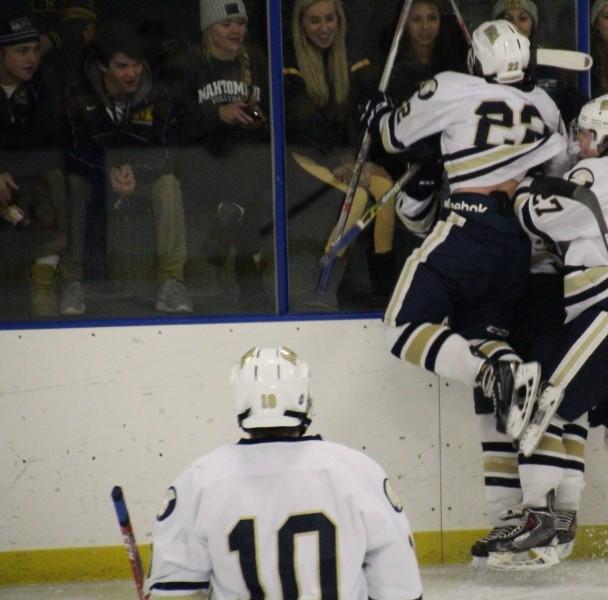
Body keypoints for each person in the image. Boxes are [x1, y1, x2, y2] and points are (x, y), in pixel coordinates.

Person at [477, 93, 608, 569]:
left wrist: (524, 190)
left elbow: (542, 219)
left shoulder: (600, 172)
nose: (580, 143)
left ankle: (540, 519)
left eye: (588, 135)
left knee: (539, 402)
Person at [365, 19, 568, 465]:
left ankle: (497, 375)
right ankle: (512, 374)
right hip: (518, 245)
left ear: (476, 59)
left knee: (401, 328)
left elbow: (392, 137)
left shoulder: (452, 86)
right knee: (482, 334)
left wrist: (379, 112)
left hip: (467, 229)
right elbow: (558, 172)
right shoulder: (547, 106)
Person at [145, 346, 424, 599]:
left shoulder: (199, 480)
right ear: (305, 398)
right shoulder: (359, 471)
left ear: (239, 401)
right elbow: (400, 587)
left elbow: (175, 590)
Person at [63, 21, 191, 315]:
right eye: (122, 66)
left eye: (136, 65)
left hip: (141, 178)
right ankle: (72, 282)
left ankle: (171, 281)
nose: (132, 73)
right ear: (103, 67)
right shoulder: (78, 95)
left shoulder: (158, 95)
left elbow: (167, 152)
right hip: (96, 179)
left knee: (169, 184)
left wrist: (138, 174)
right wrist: (106, 173)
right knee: (72, 183)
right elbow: (72, 153)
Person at [282, 0, 395, 310]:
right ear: (301, 24)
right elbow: (305, 128)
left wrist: (364, 161)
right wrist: (342, 162)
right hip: (303, 158)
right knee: (355, 199)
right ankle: (326, 281)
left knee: (386, 194)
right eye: (315, 21)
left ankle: (383, 287)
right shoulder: (289, 63)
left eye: (329, 19)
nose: (324, 28)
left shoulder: (355, 59)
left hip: (348, 158)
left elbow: (365, 119)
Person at [162, 0, 271, 312]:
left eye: (240, 23)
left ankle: (228, 217)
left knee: (252, 164)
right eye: (227, 24)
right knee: (248, 195)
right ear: (209, 29)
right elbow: (175, 125)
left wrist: (259, 119)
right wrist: (217, 115)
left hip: (247, 160)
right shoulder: (187, 65)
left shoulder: (258, 62)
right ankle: (249, 281)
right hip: (202, 159)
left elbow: (279, 120)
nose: (236, 30)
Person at [0, 13, 66, 318]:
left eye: (35, 50)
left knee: (55, 180)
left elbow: (50, 147)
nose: (32, 59)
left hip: (27, 183)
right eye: (21, 51)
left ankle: (43, 285)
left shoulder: (46, 83)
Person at [492, 0, 585, 123]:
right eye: (507, 19)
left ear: (533, 25)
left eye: (523, 18)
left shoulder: (549, 65)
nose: (514, 25)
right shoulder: (481, 64)